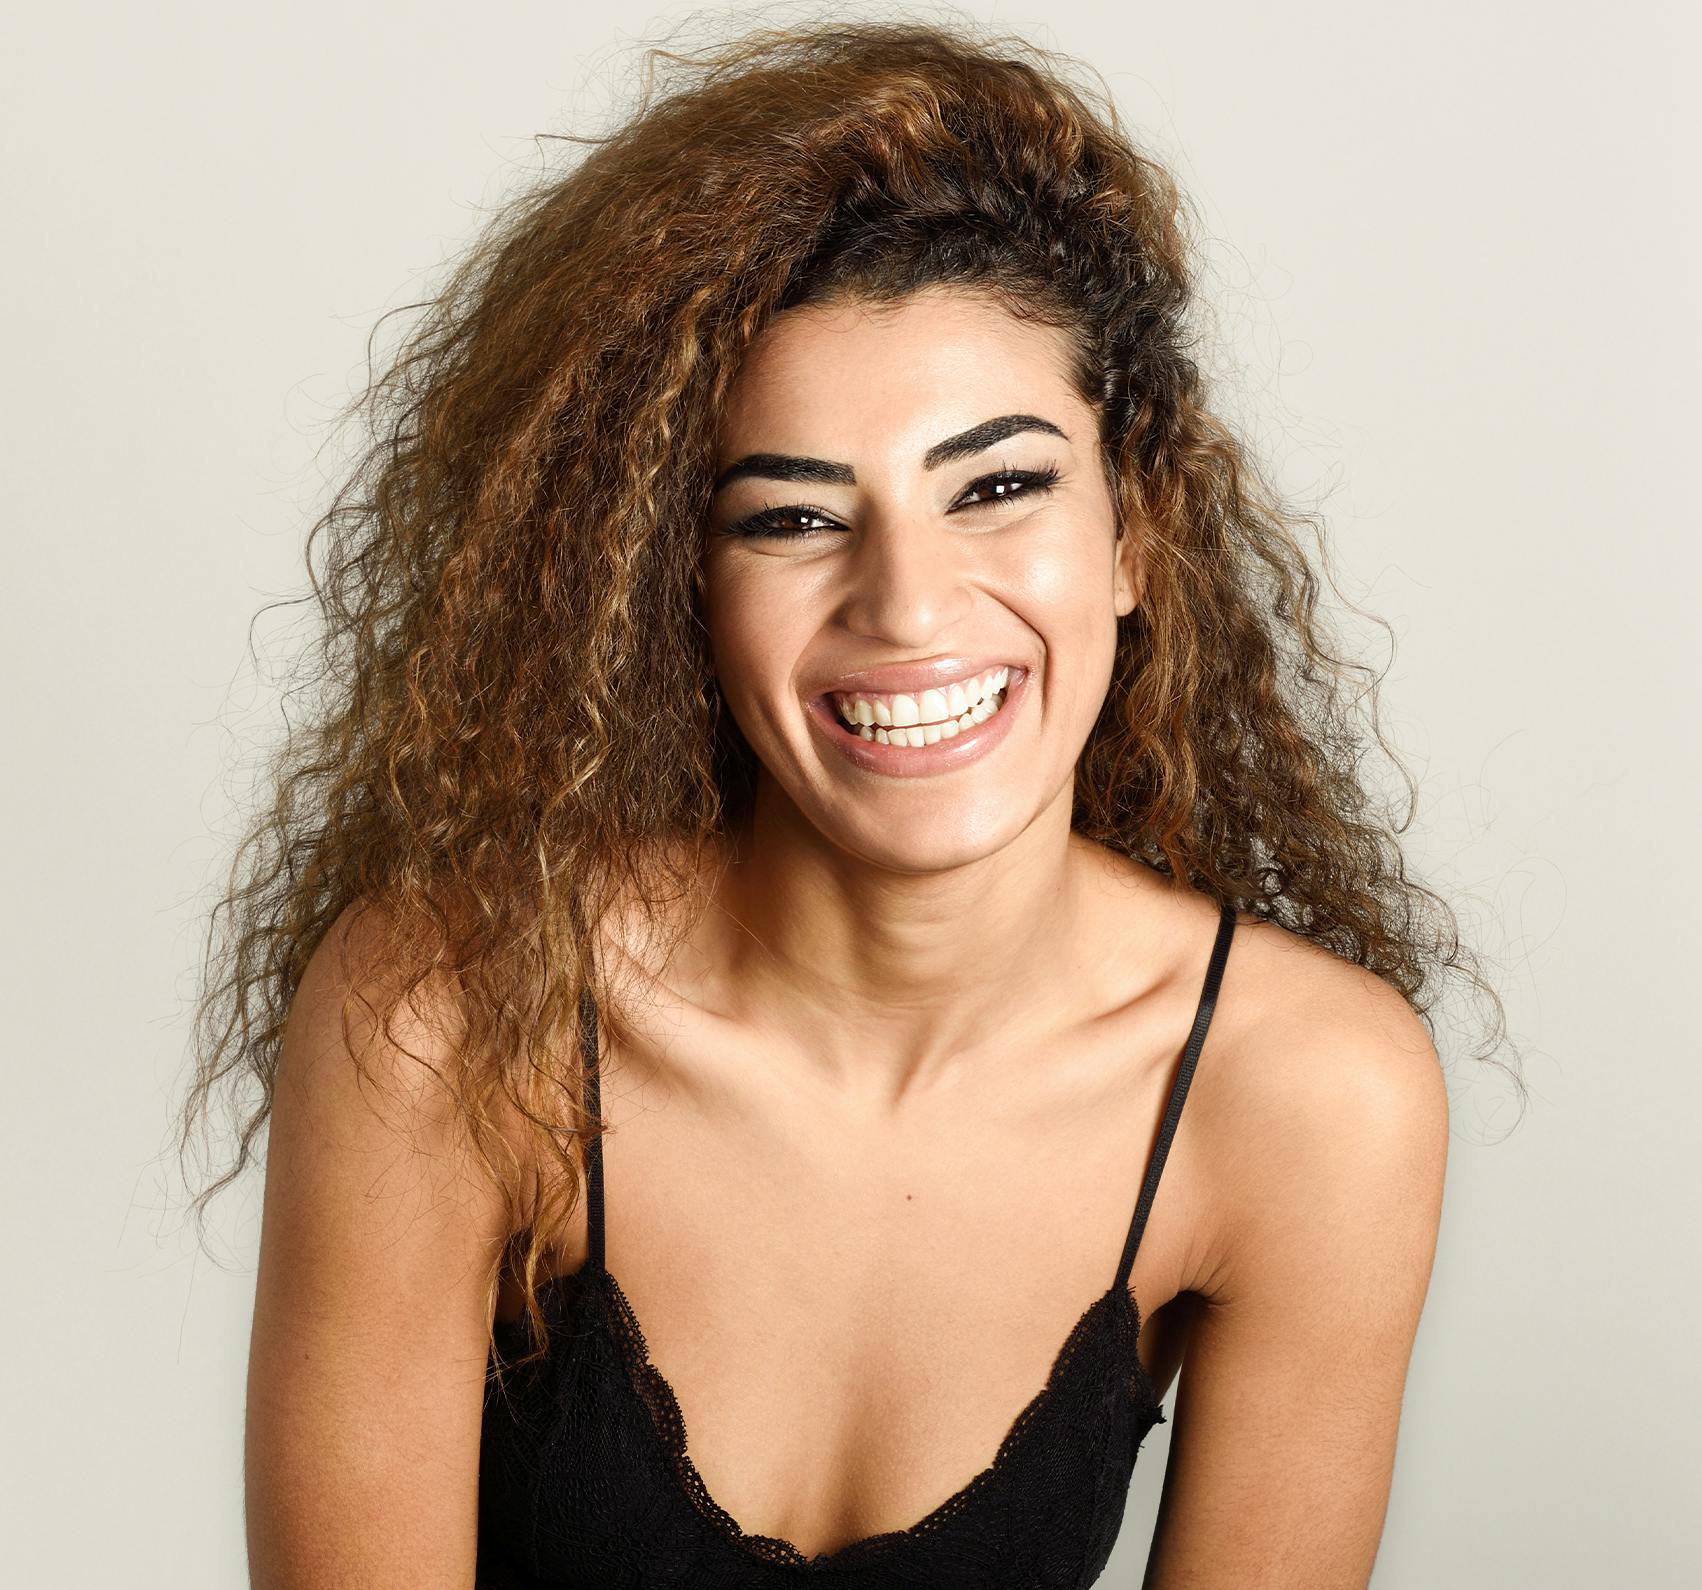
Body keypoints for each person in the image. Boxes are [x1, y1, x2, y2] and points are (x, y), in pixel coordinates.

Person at [182, 17, 1514, 1589]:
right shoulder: (452, 1020)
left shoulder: (1304, 1097)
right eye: (794, 516)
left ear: (1133, 532)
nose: (906, 604)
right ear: (671, 580)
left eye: (999, 486)